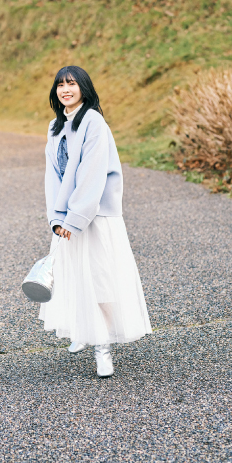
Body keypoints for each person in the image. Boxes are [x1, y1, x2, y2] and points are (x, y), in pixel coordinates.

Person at [39, 65, 152, 377]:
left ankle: (103, 350)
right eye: (60, 85)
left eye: (71, 83)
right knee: (74, 278)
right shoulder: (54, 127)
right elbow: (52, 177)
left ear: (83, 88)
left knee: (100, 281)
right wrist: (56, 218)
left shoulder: (94, 122)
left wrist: (73, 219)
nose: (65, 89)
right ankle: (82, 332)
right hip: (67, 219)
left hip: (95, 217)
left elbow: (92, 174)